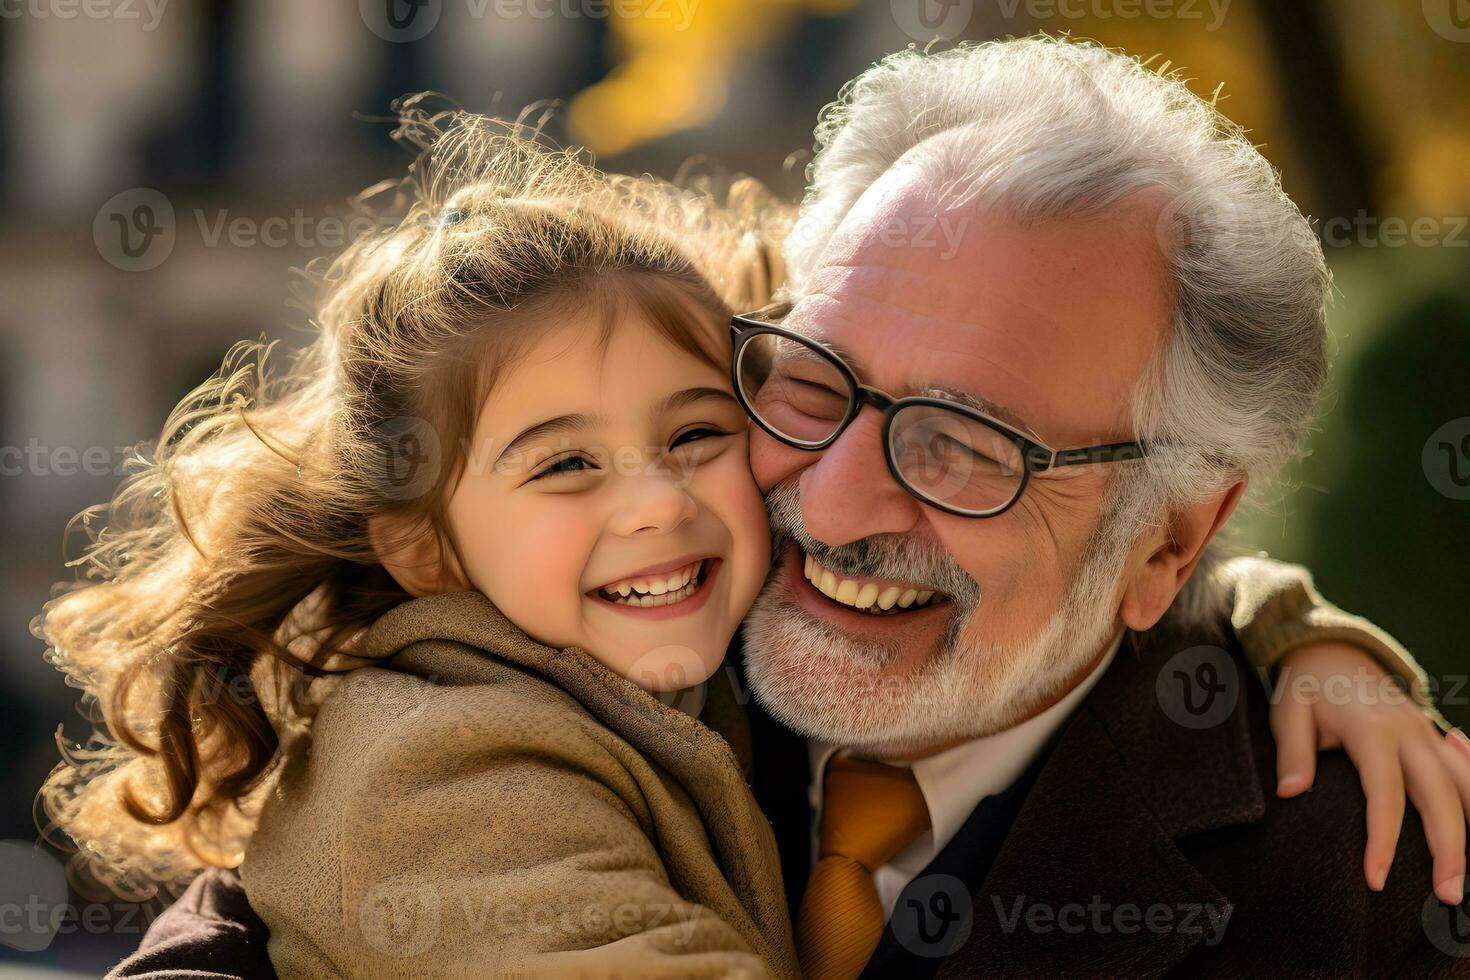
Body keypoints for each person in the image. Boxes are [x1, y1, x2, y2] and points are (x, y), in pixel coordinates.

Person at [71, 40, 1470, 980]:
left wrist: (1309, 637)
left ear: (1167, 537)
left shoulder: (1371, 889)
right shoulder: (557, 674)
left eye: (966, 446)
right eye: (816, 382)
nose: (837, 493)